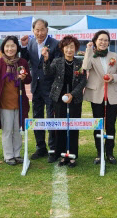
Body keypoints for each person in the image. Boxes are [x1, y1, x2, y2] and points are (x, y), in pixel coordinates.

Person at [20, 18, 61, 163]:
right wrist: (23, 47)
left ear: (47, 30)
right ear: (33, 31)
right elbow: (24, 61)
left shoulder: (55, 44)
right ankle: (40, 147)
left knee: (51, 117)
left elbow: (57, 65)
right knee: (37, 117)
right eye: (37, 30)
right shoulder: (30, 43)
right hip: (35, 86)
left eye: (42, 29)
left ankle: (52, 149)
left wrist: (47, 59)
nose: (40, 33)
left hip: (50, 87)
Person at [42, 35, 86, 167]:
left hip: (74, 98)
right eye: (67, 47)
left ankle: (72, 155)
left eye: (72, 47)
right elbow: (48, 73)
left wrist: (72, 94)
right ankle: (61, 154)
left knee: (73, 126)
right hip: (58, 98)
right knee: (60, 126)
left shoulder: (79, 63)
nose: (69, 50)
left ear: (76, 48)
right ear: (62, 48)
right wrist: (45, 60)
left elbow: (83, 81)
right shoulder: (57, 61)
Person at [0, 36, 32, 166]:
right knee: (7, 130)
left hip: (19, 102)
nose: (10, 49)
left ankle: (17, 154)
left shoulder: (22, 62)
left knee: (18, 129)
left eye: (12, 46)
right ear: (3, 48)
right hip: (4, 103)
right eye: (7, 46)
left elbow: (28, 79)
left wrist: (23, 77)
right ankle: (8, 155)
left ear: (17, 47)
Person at [81, 30, 117, 165]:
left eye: (106, 40)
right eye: (100, 40)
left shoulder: (114, 55)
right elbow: (85, 67)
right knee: (98, 125)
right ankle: (99, 153)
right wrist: (88, 51)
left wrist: (112, 77)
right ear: (95, 41)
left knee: (111, 125)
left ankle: (110, 153)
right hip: (97, 95)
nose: (103, 42)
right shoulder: (91, 54)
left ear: (109, 42)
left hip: (112, 94)